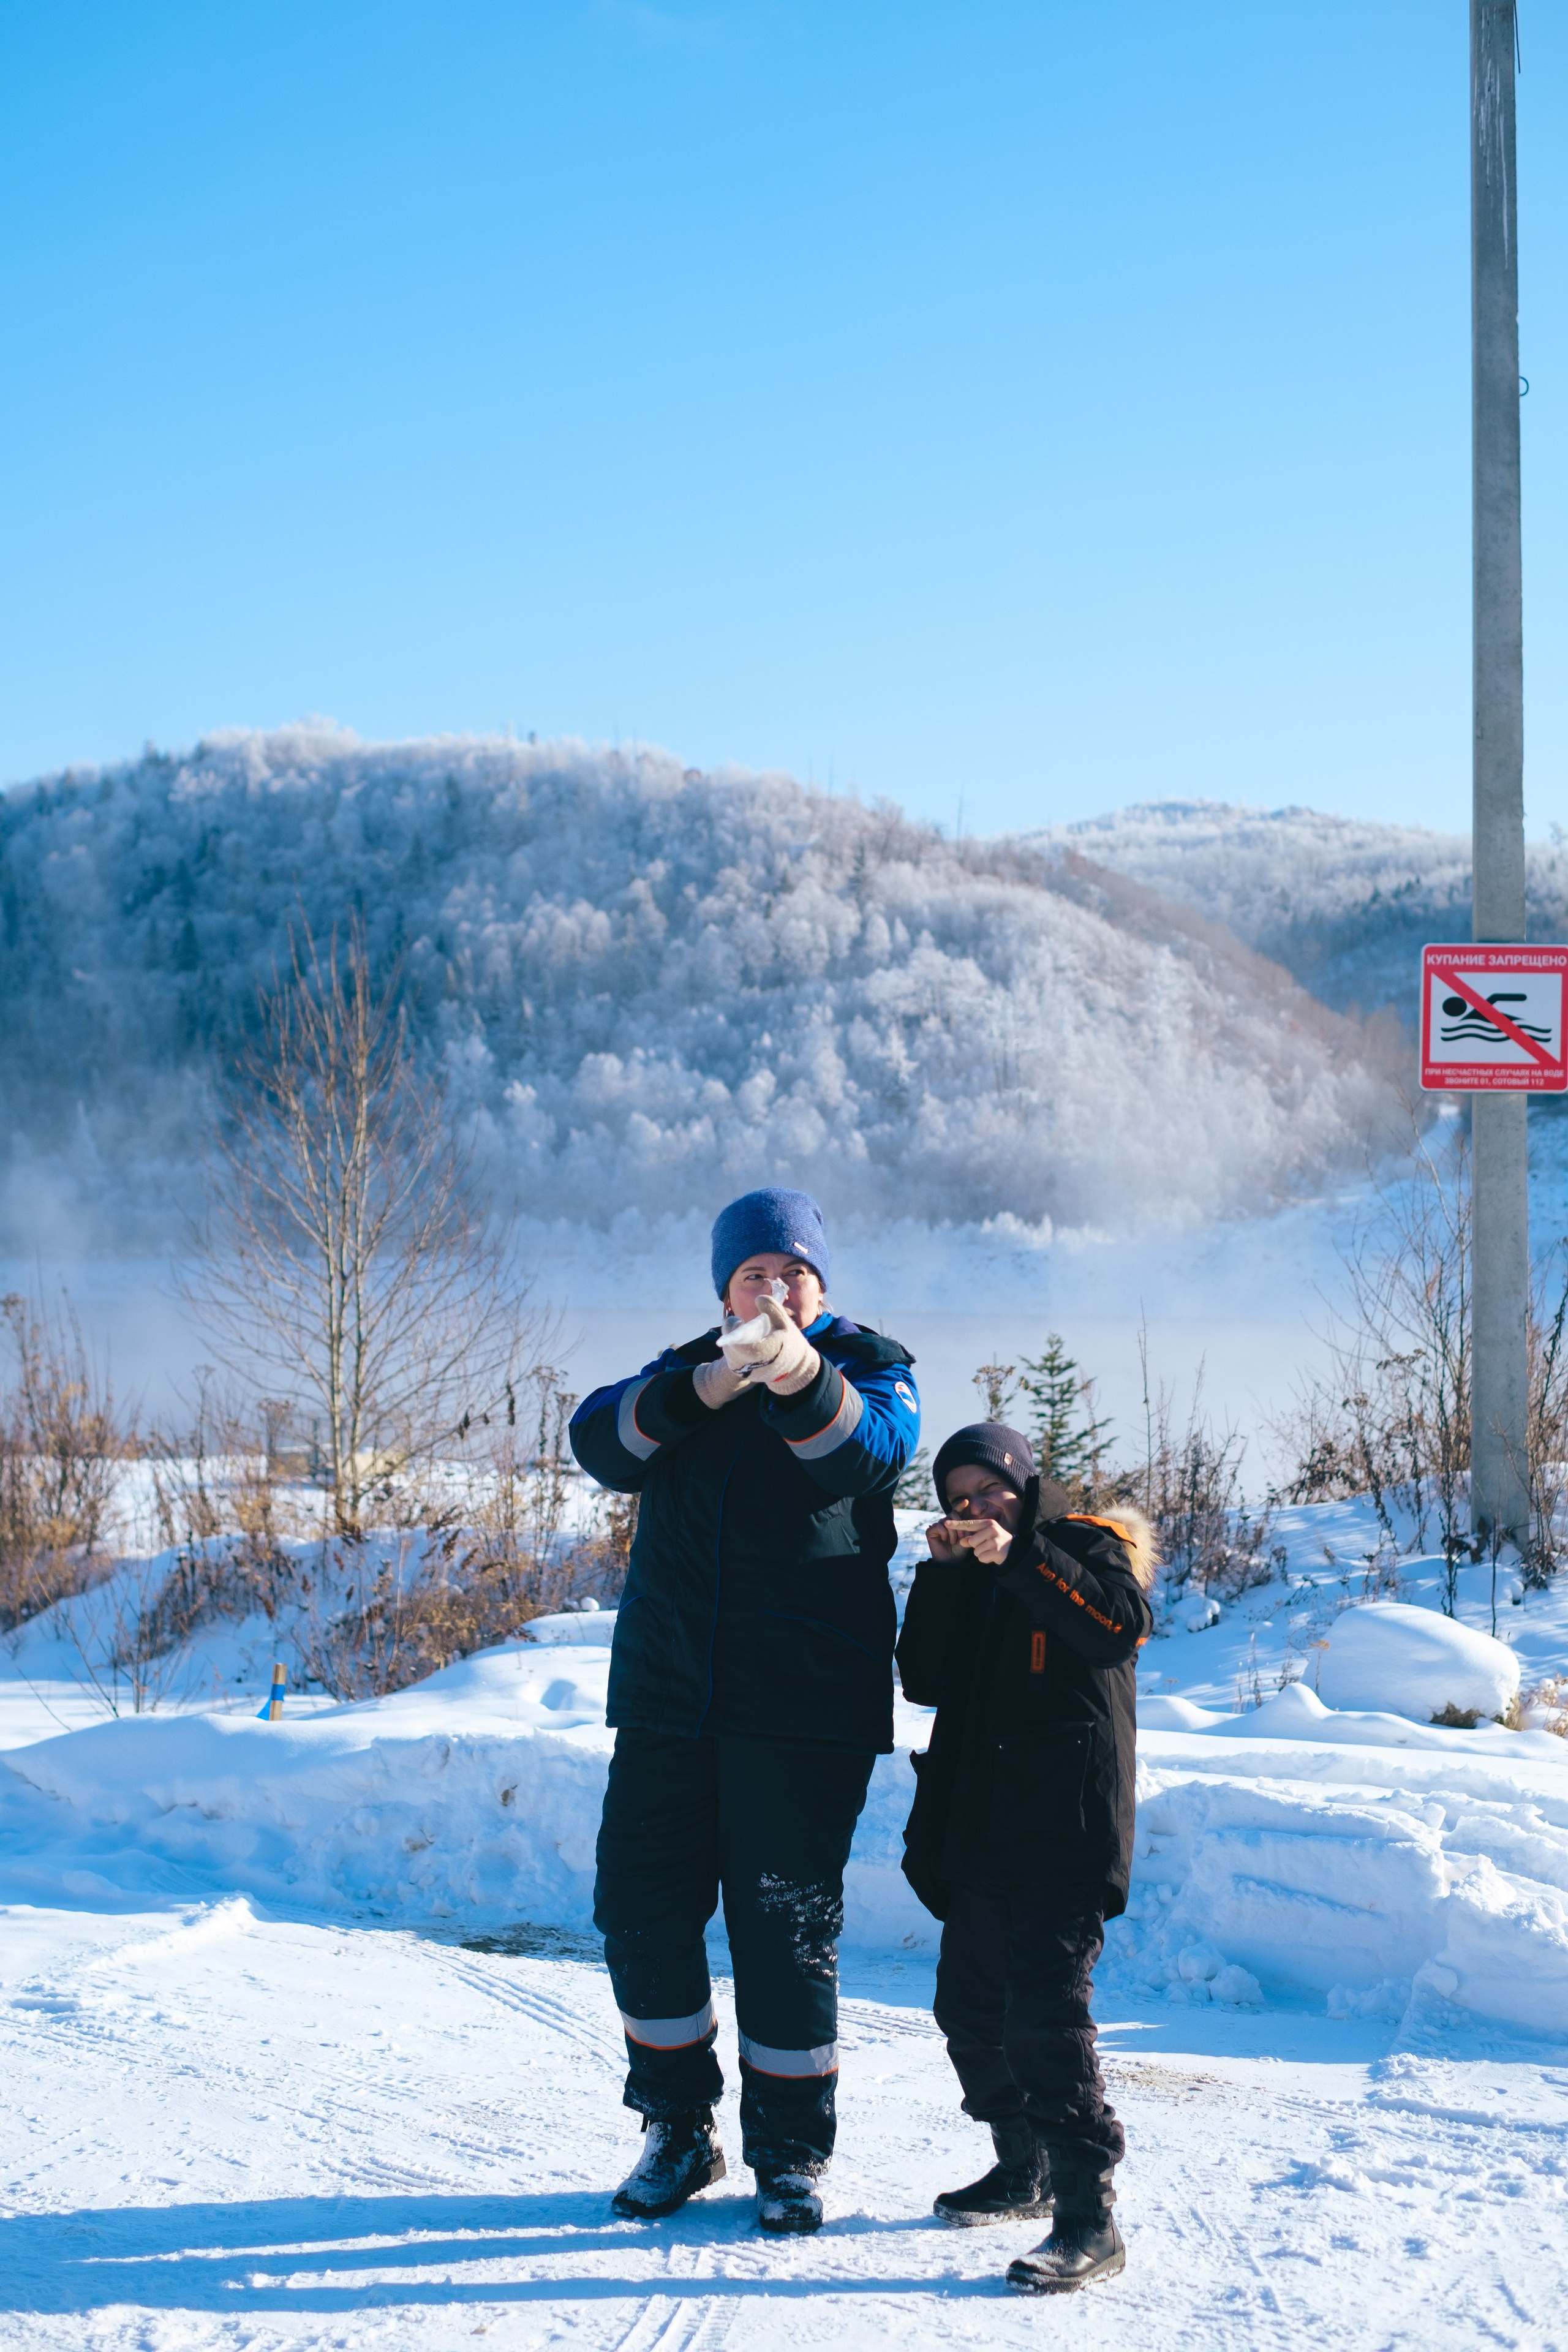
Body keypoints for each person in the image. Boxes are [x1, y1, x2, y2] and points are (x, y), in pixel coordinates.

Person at [569, 1186, 920, 2236]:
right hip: (670, 1703)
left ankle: (789, 2154)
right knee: (638, 1911)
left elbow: (866, 1456)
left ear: (822, 1286)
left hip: (804, 1711)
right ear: (725, 1292)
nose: (774, 1291)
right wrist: (710, 1385)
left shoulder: (872, 1370)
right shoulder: (687, 1377)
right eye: (753, 1277)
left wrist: (799, 1377)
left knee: (783, 1929)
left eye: (792, 1274)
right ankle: (678, 2128)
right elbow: (601, 1445)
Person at [895, 1420, 1156, 2294]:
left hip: (1065, 1831)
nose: (977, 1509)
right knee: (970, 2012)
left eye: (991, 1490)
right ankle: (1023, 2163)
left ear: (1023, 1482)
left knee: (1044, 2021)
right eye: (959, 1501)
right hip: (978, 1831)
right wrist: (939, 1574)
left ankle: (1089, 2216)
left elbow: (1117, 1630)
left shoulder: (1084, 1546)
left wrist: (1018, 1557)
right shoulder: (964, 1574)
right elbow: (925, 1679)